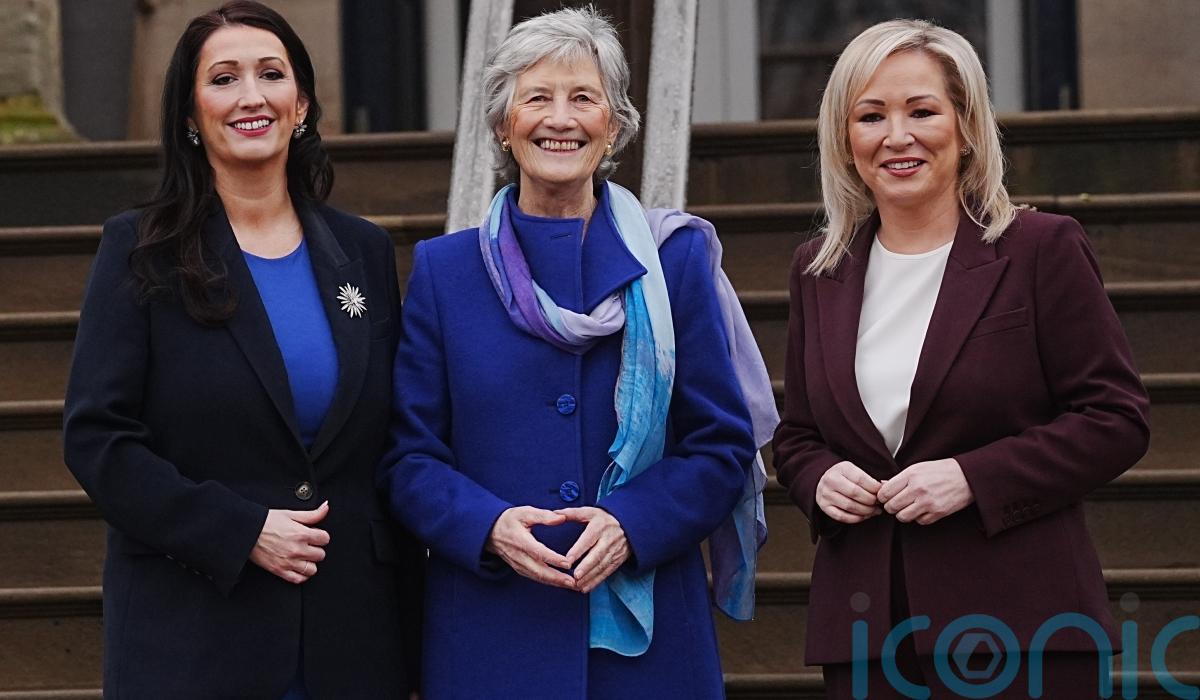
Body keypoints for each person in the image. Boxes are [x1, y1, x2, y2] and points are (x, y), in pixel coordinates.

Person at [378, 6, 776, 698]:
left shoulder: (672, 262)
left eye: (583, 98)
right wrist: (486, 526)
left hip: (650, 646)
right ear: (503, 124)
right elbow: (408, 459)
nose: (559, 119)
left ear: (614, 126)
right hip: (494, 634)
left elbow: (721, 445)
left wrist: (632, 523)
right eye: (537, 98)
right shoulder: (444, 272)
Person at [771, 19, 1150, 699]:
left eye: (922, 111)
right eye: (871, 116)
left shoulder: (1041, 249)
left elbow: (1115, 419)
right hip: (869, 635)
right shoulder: (818, 270)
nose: (897, 136)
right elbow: (798, 436)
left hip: (1022, 626)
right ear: (844, 138)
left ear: (967, 125)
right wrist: (818, 480)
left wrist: (973, 477)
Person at [62, 2, 421, 697]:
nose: (251, 96)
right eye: (224, 79)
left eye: (271, 75)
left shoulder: (365, 251)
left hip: (351, 641)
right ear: (190, 115)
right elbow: (98, 439)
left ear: (301, 103)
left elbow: (392, 443)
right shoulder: (140, 251)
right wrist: (238, 530)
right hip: (197, 637)